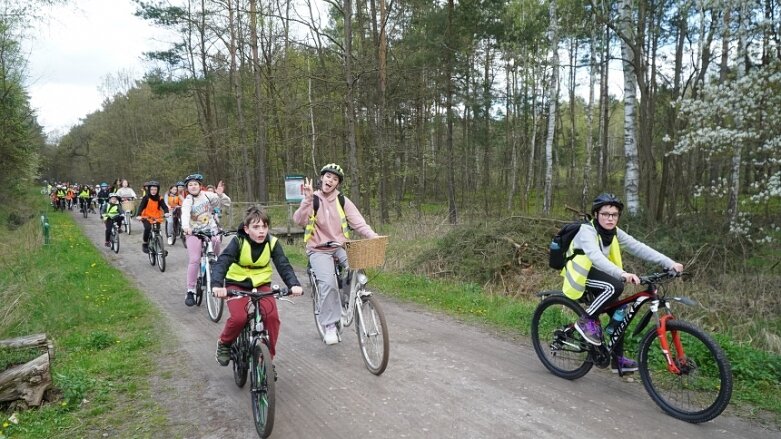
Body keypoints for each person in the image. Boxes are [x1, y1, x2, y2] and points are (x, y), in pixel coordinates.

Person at [563, 193, 684, 373]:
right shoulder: (587, 231)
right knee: (616, 286)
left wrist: (669, 263)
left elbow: (638, 247)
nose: (610, 218)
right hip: (579, 274)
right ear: (596, 214)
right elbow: (595, 257)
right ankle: (586, 321)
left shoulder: (614, 232)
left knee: (620, 313)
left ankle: (617, 360)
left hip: (598, 275)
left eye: (614, 214)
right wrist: (622, 274)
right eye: (605, 214)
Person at [293, 163, 379, 345]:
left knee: (359, 265)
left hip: (340, 246)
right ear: (322, 178)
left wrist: (373, 236)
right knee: (329, 284)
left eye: (335, 179)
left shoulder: (342, 201)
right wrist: (307, 200)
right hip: (318, 249)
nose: (330, 180)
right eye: (328, 177)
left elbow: (359, 223)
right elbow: (299, 220)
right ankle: (330, 325)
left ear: (337, 184)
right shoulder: (313, 199)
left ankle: (349, 299)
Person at [212, 206, 304, 366]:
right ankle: (224, 343)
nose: (261, 231)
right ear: (246, 229)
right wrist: (217, 285)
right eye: (256, 227)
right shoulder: (238, 241)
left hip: (262, 285)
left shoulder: (273, 243)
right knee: (239, 318)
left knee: (272, 318)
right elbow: (223, 261)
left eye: (264, 226)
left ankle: (267, 360)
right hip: (237, 284)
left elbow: (283, 265)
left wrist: (293, 285)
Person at [181, 173, 231, 307]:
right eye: (190, 185)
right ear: (187, 188)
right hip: (194, 232)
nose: (193, 187)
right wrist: (186, 227)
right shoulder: (188, 200)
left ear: (200, 186)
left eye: (195, 184)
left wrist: (220, 194)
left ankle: (213, 259)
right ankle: (191, 290)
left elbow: (226, 203)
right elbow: (185, 213)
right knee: (195, 259)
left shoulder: (207, 195)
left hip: (210, 228)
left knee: (216, 240)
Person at [135, 181, 169, 254]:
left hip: (156, 216)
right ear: (149, 190)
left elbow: (164, 206)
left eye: (155, 190)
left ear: (158, 190)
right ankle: (145, 243)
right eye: (152, 189)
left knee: (157, 231)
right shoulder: (146, 197)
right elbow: (141, 206)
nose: (153, 191)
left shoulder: (160, 198)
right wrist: (138, 215)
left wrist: (166, 212)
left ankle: (160, 248)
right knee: (148, 228)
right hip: (146, 216)